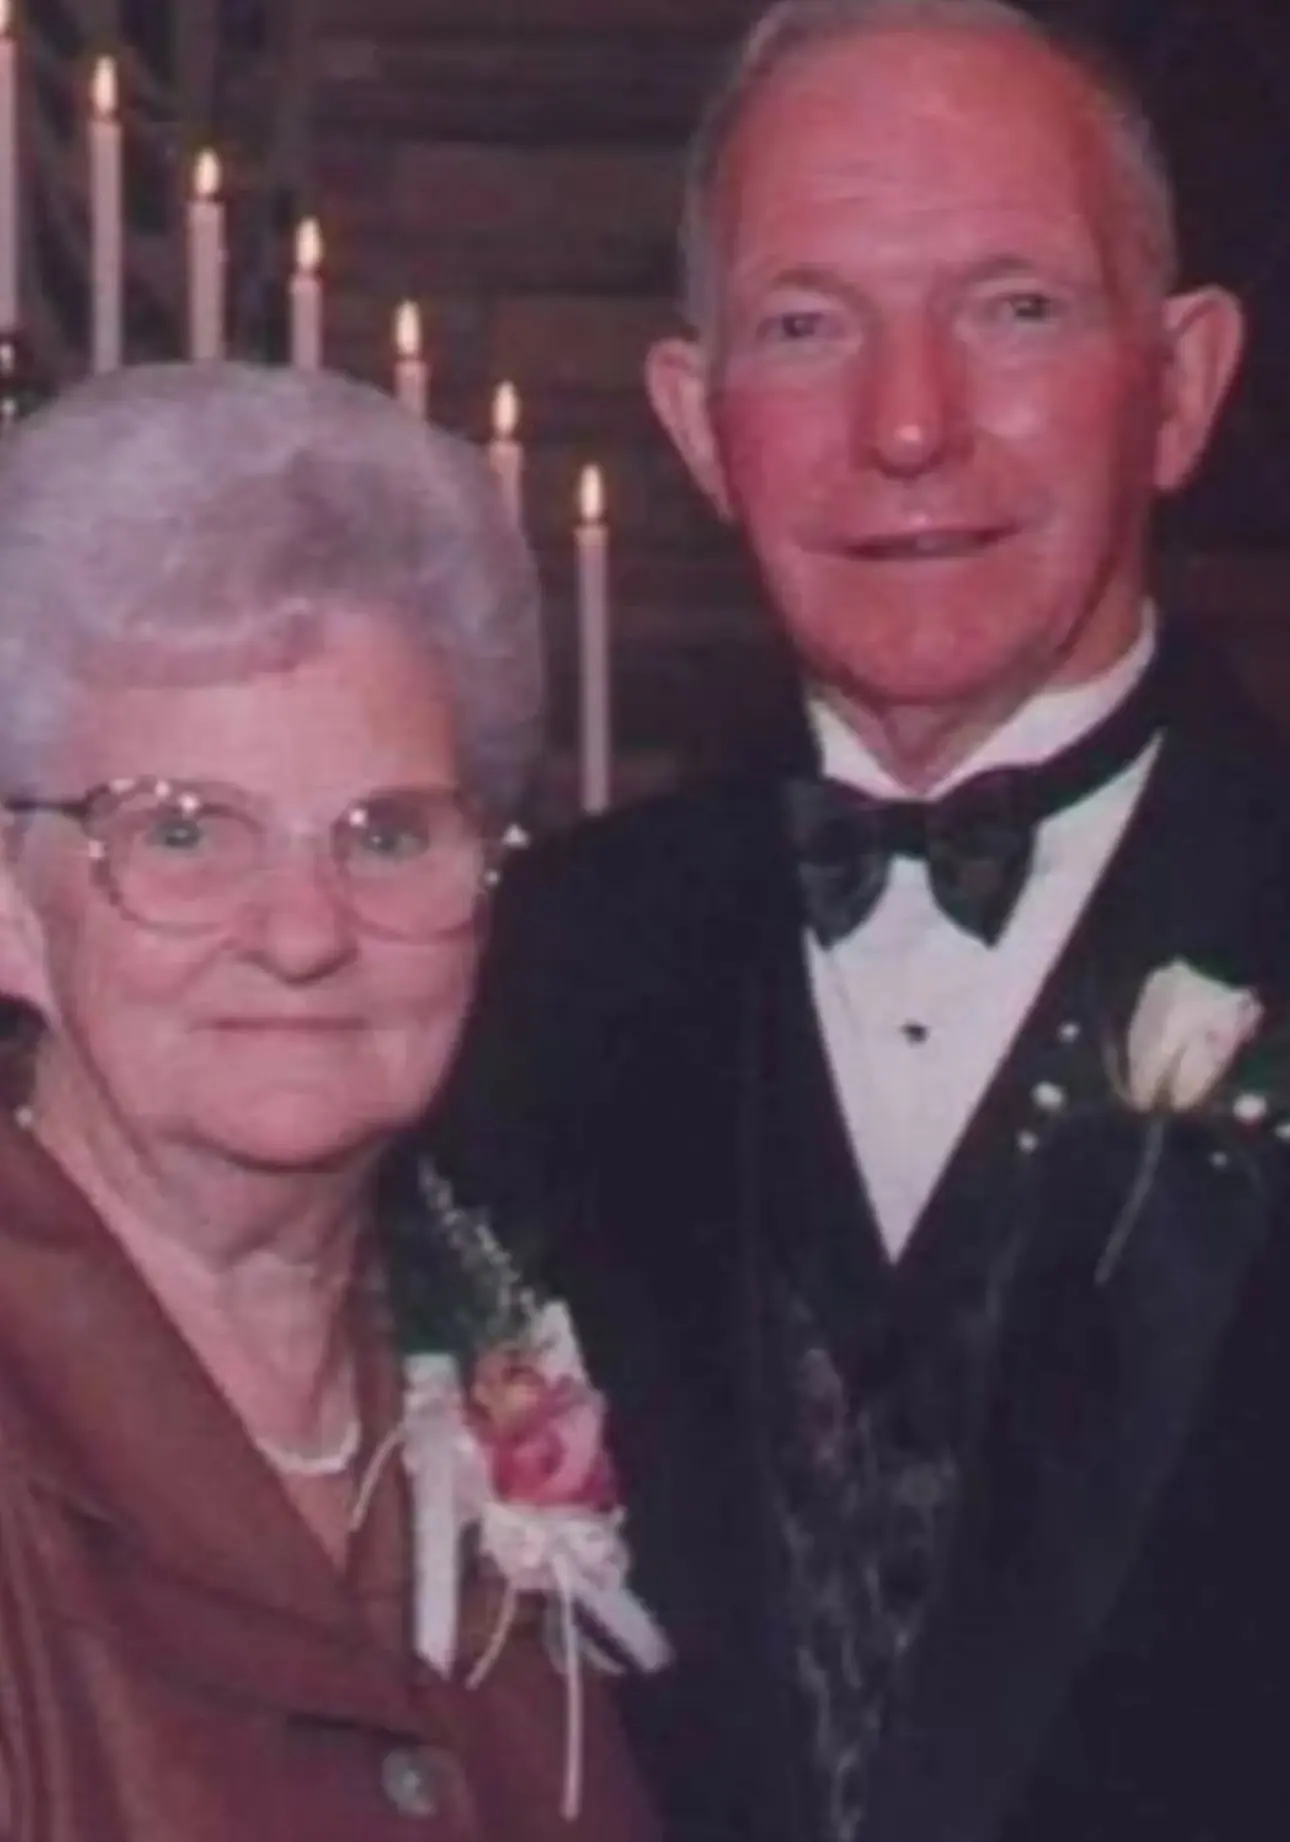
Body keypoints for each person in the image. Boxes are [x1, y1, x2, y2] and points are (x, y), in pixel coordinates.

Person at [432, 4, 1290, 1840]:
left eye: (1013, 309)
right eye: (806, 326)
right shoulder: (516, 983)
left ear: (1181, 382)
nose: (906, 425)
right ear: (697, 421)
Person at [0, 360, 663, 1842]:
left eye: (387, 834)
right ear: (12, 905)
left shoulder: (494, 1378)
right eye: (185, 833)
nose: (303, 933)